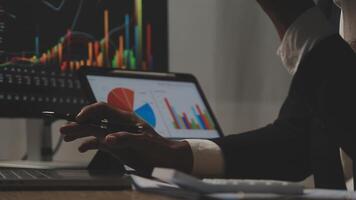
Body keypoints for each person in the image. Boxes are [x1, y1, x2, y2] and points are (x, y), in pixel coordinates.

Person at [60, 0, 356, 190]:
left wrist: (295, 20)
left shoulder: (320, 24)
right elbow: (298, 145)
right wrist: (174, 154)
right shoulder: (333, 15)